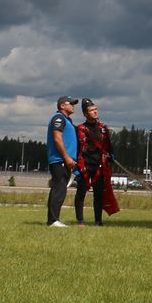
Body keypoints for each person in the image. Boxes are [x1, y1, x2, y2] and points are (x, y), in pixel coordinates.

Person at [73, 98, 116, 226]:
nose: (95, 112)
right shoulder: (80, 128)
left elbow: (109, 145)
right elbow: (77, 147)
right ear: (86, 114)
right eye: (91, 110)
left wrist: (112, 156)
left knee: (98, 195)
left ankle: (98, 221)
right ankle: (80, 220)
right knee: (81, 193)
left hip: (99, 166)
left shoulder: (103, 128)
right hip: (84, 165)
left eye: (96, 109)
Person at [45, 96, 78, 227]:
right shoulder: (58, 118)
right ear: (62, 106)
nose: (73, 106)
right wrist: (66, 157)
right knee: (59, 188)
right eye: (70, 103)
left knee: (61, 188)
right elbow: (57, 138)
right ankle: (53, 220)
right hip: (60, 160)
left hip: (64, 160)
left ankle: (54, 219)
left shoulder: (67, 120)